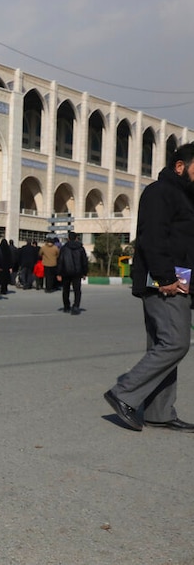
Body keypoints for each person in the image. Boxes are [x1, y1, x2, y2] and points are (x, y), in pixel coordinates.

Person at [104, 143, 194, 433]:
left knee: (162, 343)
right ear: (180, 166)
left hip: (178, 280)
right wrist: (165, 277)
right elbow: (152, 236)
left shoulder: (184, 197)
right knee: (175, 343)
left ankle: (158, 411)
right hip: (165, 282)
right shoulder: (160, 192)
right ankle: (124, 393)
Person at [56, 231, 89, 314]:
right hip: (77, 272)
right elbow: (84, 261)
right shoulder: (81, 248)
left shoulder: (64, 248)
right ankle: (76, 306)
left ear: (68, 238)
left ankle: (66, 306)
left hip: (66, 272)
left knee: (66, 290)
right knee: (77, 290)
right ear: (76, 238)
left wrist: (59, 273)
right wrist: (84, 272)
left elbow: (60, 261)